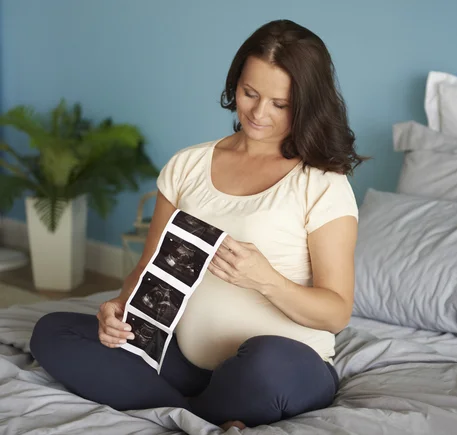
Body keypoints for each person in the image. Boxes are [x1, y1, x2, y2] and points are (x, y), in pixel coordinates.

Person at [30, 19, 366, 430]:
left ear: (307, 104)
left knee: (266, 366)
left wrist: (266, 280)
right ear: (235, 84)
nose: (259, 114)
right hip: (180, 359)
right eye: (250, 93)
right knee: (53, 332)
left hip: (282, 367)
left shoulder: (322, 183)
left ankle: (191, 408)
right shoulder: (187, 165)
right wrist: (119, 310)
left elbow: (336, 312)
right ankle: (200, 413)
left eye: (281, 104)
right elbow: (148, 266)